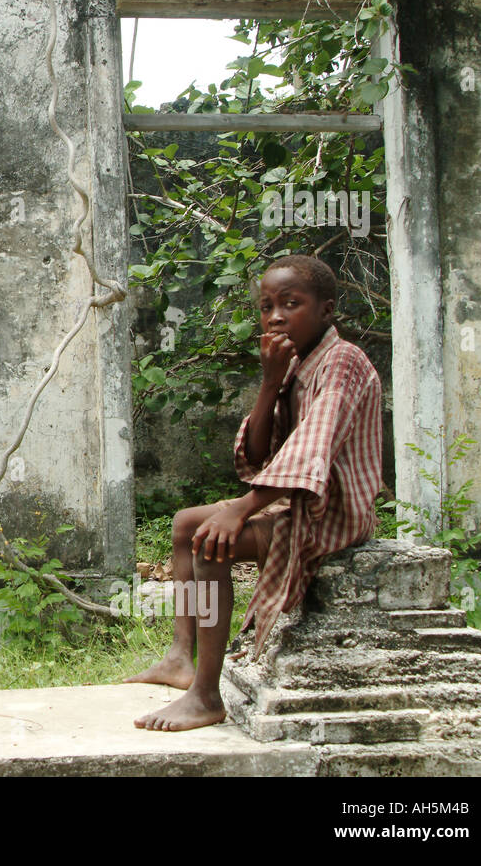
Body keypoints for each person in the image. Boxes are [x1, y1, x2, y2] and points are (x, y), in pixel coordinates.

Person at [126, 254, 383, 732]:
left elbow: (312, 447)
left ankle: (206, 695)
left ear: (326, 310)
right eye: (266, 307)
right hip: (296, 496)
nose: (276, 316)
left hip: (335, 510)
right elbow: (260, 454)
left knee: (210, 540)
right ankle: (182, 656)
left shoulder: (342, 361)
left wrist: (242, 509)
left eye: (291, 304)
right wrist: (269, 383)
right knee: (186, 522)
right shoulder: (295, 364)